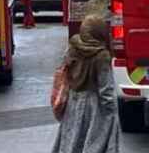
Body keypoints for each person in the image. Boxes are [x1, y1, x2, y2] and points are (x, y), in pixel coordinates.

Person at [51, 14, 119, 153]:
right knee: (94, 143)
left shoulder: (73, 48)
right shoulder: (101, 55)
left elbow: (65, 71)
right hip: (94, 108)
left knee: (72, 140)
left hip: (73, 103)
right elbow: (105, 89)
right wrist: (111, 112)